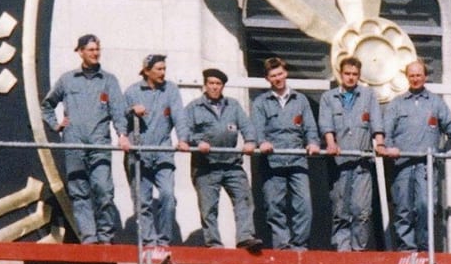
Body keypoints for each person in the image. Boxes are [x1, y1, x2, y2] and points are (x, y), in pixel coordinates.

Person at [378, 59, 451, 251]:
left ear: (425, 77)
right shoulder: (397, 104)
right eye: (411, 75)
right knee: (403, 208)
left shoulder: (436, 103)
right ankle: (407, 249)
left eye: (419, 75)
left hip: (426, 166)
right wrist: (388, 147)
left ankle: (425, 249)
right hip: (402, 165)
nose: (415, 79)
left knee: (425, 206)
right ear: (407, 77)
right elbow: (385, 131)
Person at [41, 34, 131, 244]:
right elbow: (47, 105)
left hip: (99, 143)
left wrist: (122, 134)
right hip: (74, 144)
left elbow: (118, 110)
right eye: (90, 50)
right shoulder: (67, 79)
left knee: (103, 190)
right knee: (79, 192)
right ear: (80, 52)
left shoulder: (108, 80)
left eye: (97, 49)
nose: (95, 53)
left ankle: (106, 236)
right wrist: (56, 125)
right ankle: (89, 238)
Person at [184, 68, 263, 251]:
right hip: (206, 165)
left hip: (231, 163)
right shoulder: (193, 107)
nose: (214, 87)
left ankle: (245, 237)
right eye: (211, 83)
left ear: (223, 86)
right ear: (205, 85)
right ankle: (213, 242)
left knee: (244, 199)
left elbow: (247, 126)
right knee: (208, 207)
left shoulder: (233, 105)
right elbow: (184, 131)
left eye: (218, 84)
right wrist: (198, 141)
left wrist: (251, 141)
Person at [251, 57, 321, 249]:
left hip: (298, 160)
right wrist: (262, 142)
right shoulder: (260, 102)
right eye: (273, 76)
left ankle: (299, 245)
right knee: (274, 206)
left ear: (286, 73)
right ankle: (282, 247)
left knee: (304, 205)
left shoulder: (301, 100)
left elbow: (310, 128)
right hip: (272, 161)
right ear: (267, 79)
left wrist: (313, 143)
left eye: (280, 73)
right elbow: (257, 128)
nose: (278, 78)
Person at [318, 57, 385, 251]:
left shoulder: (368, 95)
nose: (351, 78)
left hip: (362, 162)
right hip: (339, 163)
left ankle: (359, 250)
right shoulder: (329, 98)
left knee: (362, 210)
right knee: (341, 210)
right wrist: (331, 143)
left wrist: (379, 143)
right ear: (340, 74)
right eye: (347, 74)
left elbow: (376, 122)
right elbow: (326, 124)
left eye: (355, 74)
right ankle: (342, 250)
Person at [123, 54, 189, 247]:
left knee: (167, 195)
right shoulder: (132, 92)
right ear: (146, 71)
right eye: (159, 69)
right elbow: (119, 117)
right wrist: (131, 111)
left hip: (162, 152)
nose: (163, 73)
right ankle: (149, 241)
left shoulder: (171, 90)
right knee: (142, 201)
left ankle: (164, 240)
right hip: (139, 153)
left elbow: (179, 117)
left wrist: (183, 139)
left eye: (164, 69)